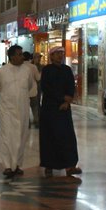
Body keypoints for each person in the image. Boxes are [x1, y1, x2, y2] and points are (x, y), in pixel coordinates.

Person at [0, 45, 37, 178]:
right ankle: (7, 166)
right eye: (19, 54)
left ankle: (17, 164)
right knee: (7, 136)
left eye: (21, 54)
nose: (22, 56)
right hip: (7, 109)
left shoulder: (27, 71)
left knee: (22, 136)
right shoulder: (1, 72)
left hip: (23, 107)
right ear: (12, 56)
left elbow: (29, 85)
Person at [39, 47, 81, 176]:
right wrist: (62, 98)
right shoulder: (46, 70)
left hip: (64, 109)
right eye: (57, 54)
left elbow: (70, 87)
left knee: (66, 137)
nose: (60, 56)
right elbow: (46, 88)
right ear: (51, 56)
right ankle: (49, 165)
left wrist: (67, 101)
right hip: (50, 109)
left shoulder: (67, 70)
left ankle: (70, 165)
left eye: (61, 54)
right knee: (49, 137)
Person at [23, 52, 41, 128]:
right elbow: (38, 78)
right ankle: (37, 122)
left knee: (25, 108)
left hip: (23, 91)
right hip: (33, 91)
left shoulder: (20, 66)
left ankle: (28, 123)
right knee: (35, 108)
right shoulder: (33, 67)